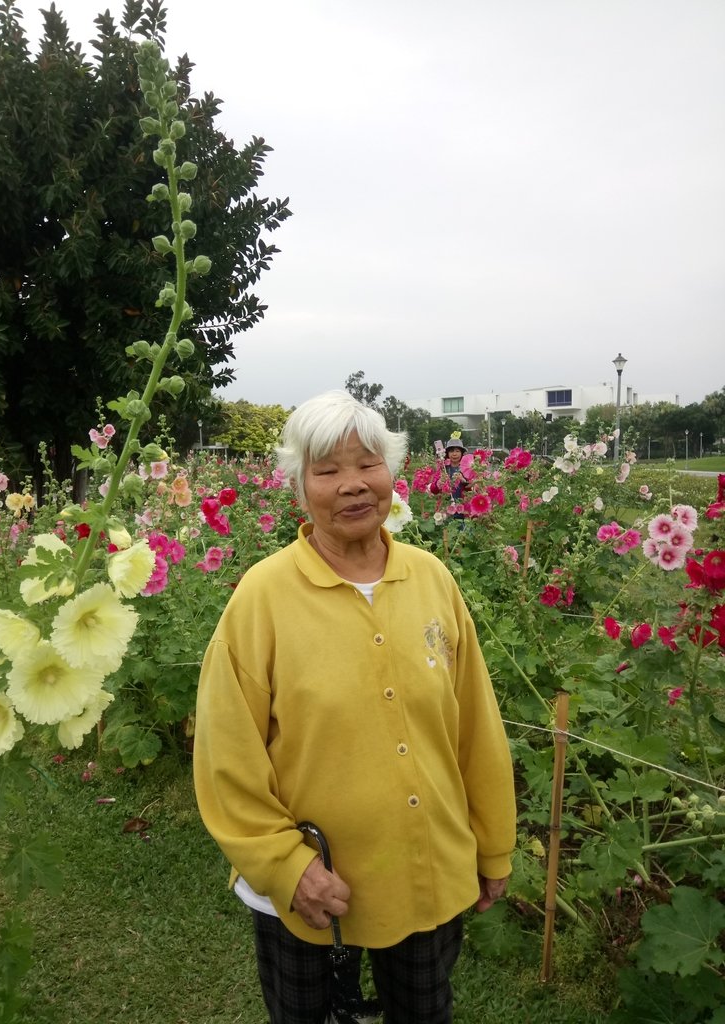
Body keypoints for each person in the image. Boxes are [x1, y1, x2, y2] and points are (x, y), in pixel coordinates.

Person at [193, 391, 516, 1024]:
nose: (352, 486)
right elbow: (225, 756)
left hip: (428, 869)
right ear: (299, 487)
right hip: (310, 889)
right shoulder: (262, 598)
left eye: (367, 464)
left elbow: (476, 726)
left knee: (424, 1013)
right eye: (327, 470)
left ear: (391, 473)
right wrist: (287, 866)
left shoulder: (431, 581)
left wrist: (492, 845)